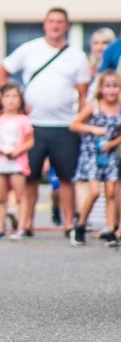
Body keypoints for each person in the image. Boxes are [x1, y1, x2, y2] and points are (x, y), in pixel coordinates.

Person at [0, 8, 90, 237]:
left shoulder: (77, 56)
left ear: (66, 26)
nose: (55, 25)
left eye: (60, 22)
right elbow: (1, 72)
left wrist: (80, 122)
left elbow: (83, 93)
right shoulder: (30, 49)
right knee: (31, 176)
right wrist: (14, 101)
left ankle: (69, 222)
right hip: (33, 124)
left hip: (65, 125)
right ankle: (27, 223)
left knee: (66, 176)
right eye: (51, 21)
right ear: (44, 24)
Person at [69, 71, 121, 247]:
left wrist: (113, 143)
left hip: (109, 153)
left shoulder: (120, 107)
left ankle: (111, 230)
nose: (111, 90)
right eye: (108, 86)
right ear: (101, 88)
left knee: (111, 192)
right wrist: (93, 129)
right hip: (92, 153)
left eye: (115, 86)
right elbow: (74, 124)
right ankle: (80, 225)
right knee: (94, 191)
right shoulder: (95, 106)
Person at [0, 84, 34, 241]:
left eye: (14, 96)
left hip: (17, 163)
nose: (11, 100)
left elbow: (30, 141)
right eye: (7, 96)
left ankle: (21, 228)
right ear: (0, 99)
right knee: (0, 196)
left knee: (20, 196)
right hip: (0, 163)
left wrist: (18, 151)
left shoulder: (24, 120)